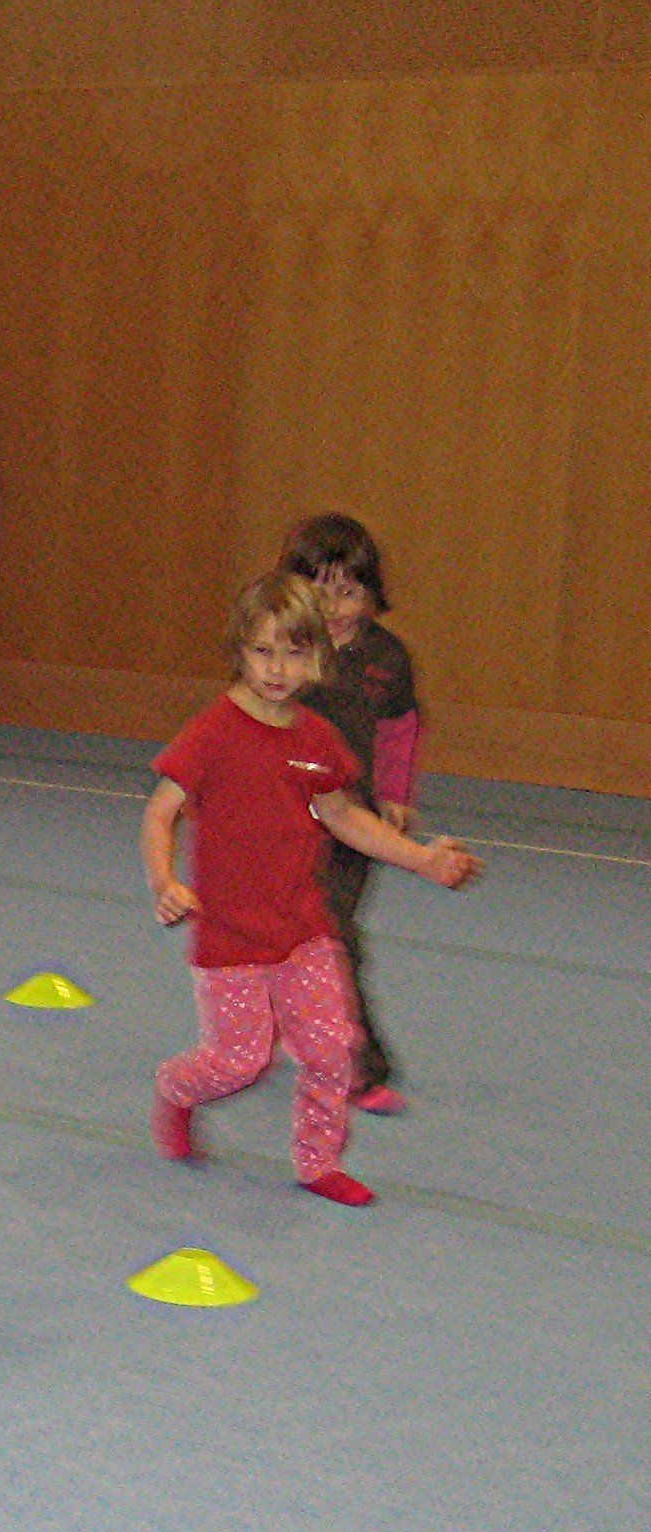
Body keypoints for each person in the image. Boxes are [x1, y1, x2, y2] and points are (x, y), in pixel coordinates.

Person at [143, 573, 478, 1206]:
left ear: (317, 658)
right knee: (241, 1062)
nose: (277, 669)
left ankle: (318, 1161)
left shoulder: (317, 739)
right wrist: (166, 881)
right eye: (263, 651)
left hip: (304, 931)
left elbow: (345, 817)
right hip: (232, 939)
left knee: (332, 1052)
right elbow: (162, 812)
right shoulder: (214, 733)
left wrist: (421, 860)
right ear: (239, 652)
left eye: (295, 653)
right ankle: (177, 1090)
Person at [281, 514, 421, 1115]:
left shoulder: (387, 659)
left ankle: (358, 1062)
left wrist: (395, 793)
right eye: (319, 591)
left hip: (351, 823)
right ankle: (284, 1019)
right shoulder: (284, 649)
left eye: (348, 591)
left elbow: (400, 727)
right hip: (286, 818)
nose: (334, 607)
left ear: (371, 594)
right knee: (286, 933)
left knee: (334, 932)